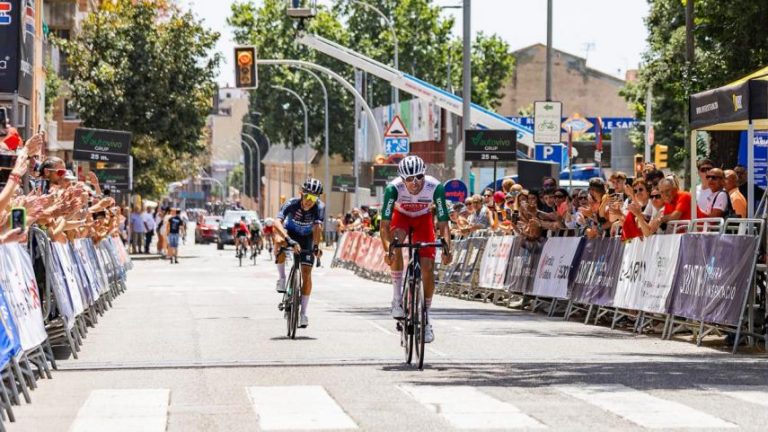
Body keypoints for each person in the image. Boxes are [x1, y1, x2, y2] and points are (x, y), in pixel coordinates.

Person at [380, 155, 452, 344]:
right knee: (396, 245)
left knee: (427, 267)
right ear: (402, 179)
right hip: (401, 217)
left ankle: (426, 318)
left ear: (424, 174)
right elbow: (384, 226)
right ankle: (397, 298)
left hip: (423, 219)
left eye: (419, 177)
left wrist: (447, 248)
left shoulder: (435, 187)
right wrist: (388, 250)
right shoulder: (392, 188)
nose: (415, 182)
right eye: (410, 179)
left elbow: (443, 222)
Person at [273, 178, 326, 329]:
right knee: (278, 240)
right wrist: (287, 239)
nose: (310, 201)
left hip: (307, 238)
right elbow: (277, 222)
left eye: (314, 198)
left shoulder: (319, 207)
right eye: (308, 196)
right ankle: (282, 279)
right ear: (301, 193)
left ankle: (303, 313)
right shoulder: (292, 203)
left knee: (306, 274)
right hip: (290, 233)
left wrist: (316, 246)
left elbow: (317, 228)